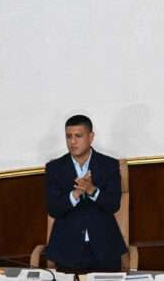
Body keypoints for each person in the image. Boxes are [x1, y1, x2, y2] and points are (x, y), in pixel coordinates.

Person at [44, 115, 127, 273]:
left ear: (91, 137)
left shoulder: (109, 165)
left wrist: (91, 190)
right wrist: (74, 194)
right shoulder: (55, 168)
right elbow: (53, 209)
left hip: (104, 248)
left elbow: (113, 205)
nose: (72, 142)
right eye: (69, 136)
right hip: (67, 250)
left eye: (78, 136)